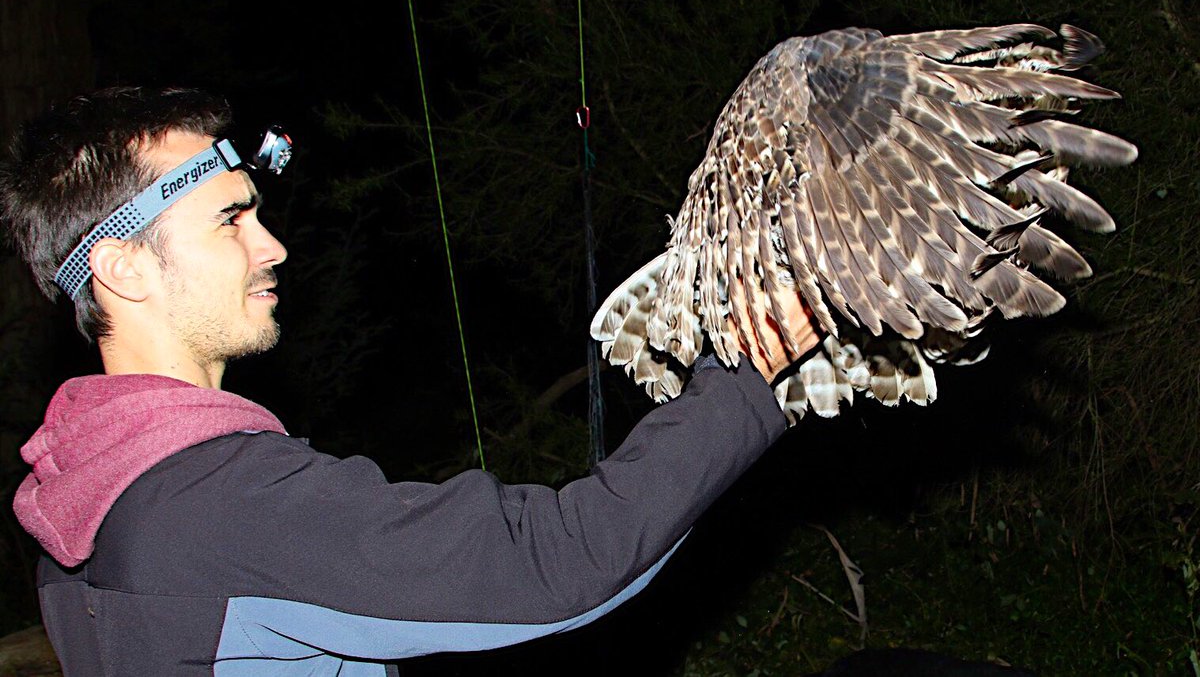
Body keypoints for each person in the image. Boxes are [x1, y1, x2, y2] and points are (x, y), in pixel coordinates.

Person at [0, 87, 819, 675]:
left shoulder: (81, 492)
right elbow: (559, 562)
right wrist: (750, 377)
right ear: (123, 268)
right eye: (230, 219)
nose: (271, 245)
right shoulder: (220, 501)